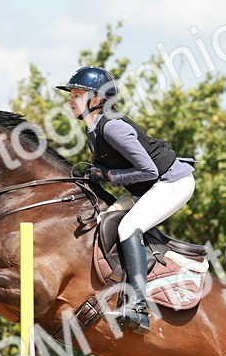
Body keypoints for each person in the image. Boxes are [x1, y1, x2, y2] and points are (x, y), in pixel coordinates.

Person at [56, 66, 195, 335]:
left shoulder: (113, 128)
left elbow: (149, 171)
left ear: (96, 100)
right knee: (103, 217)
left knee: (128, 227)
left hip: (172, 182)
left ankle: (138, 308)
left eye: (76, 94)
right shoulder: (93, 128)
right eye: (71, 94)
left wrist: (106, 174)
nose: (70, 100)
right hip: (149, 186)